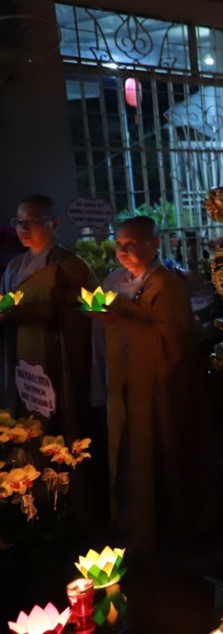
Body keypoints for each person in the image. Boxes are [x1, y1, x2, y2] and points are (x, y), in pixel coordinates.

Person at [98, 216, 214, 550]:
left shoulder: (166, 285)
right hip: (124, 380)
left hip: (159, 385)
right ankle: (131, 521)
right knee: (127, 450)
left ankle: (167, 528)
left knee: (161, 449)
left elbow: (173, 340)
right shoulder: (113, 280)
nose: (123, 251)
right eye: (119, 244)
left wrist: (122, 320)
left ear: (154, 244)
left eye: (132, 244)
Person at [1, 195, 102, 524]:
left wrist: (51, 314)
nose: (24, 228)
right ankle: (32, 504)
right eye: (19, 221)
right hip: (24, 361)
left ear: (53, 223)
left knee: (62, 424)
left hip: (58, 359)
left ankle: (72, 507)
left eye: (32, 220)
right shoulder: (15, 267)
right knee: (28, 427)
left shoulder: (71, 266)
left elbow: (94, 312)